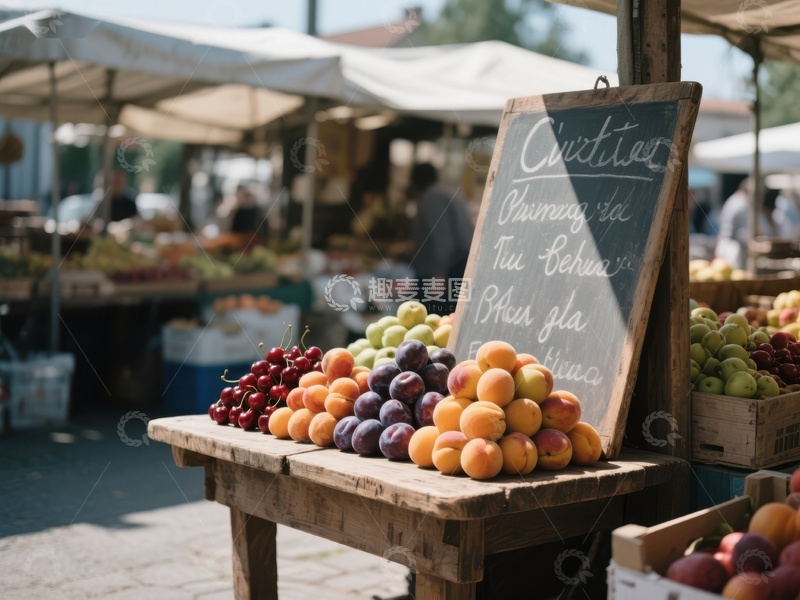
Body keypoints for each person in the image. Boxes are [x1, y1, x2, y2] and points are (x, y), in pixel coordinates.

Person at [408, 163, 474, 296]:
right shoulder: (447, 192)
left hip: (447, 269)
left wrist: (438, 275)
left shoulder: (432, 198)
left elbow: (442, 239)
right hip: (459, 264)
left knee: (431, 313)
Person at [716, 178, 779, 269]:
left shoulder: (735, 200)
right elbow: (742, 232)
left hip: (728, 246)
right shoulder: (742, 203)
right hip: (732, 249)